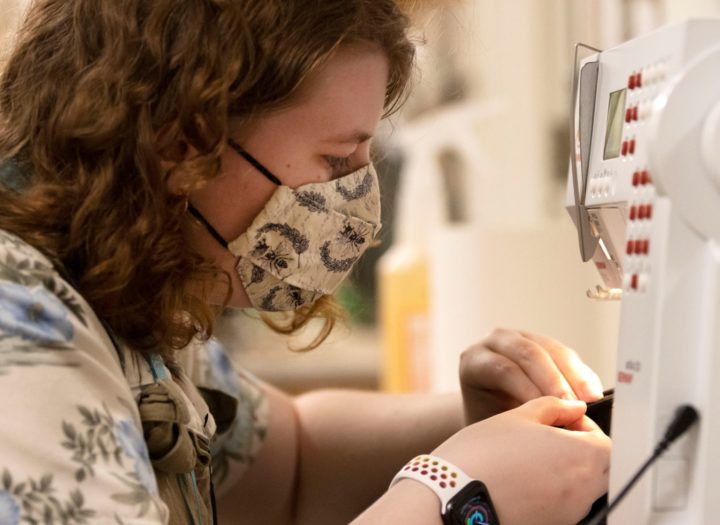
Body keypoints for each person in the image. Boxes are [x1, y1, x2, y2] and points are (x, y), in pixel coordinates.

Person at [0, 1, 610, 524]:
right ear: (180, 141)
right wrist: (453, 494)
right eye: (337, 161)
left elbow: (290, 464)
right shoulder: (20, 323)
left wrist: (488, 424)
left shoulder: (126, 283)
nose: (356, 203)